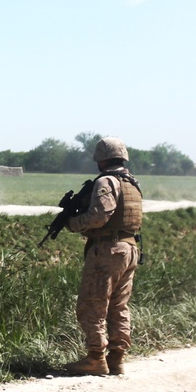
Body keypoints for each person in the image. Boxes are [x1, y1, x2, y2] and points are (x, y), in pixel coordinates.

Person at [64, 137, 143, 376]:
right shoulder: (132, 183)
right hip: (129, 247)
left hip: (108, 250)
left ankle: (96, 358)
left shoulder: (107, 181)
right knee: (118, 305)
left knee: (92, 303)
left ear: (100, 159)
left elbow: (99, 216)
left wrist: (73, 223)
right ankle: (117, 358)